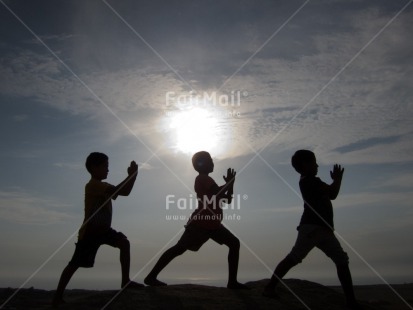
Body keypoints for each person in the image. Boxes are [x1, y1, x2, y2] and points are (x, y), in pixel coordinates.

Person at [263, 150, 361, 310]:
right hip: (313, 228)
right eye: (313, 162)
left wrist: (336, 181)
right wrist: (337, 180)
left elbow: (330, 194)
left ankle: (351, 302)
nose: (317, 165)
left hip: (322, 229)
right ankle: (269, 288)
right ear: (304, 165)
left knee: (340, 260)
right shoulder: (310, 181)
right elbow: (333, 194)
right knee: (295, 257)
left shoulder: (309, 181)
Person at [144, 151, 248, 289]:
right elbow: (216, 193)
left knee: (234, 243)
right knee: (178, 249)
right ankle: (151, 277)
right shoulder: (203, 179)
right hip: (200, 224)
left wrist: (231, 184)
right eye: (209, 160)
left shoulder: (209, 180)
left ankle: (232, 282)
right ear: (201, 165)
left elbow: (227, 199)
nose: (212, 162)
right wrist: (228, 184)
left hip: (213, 225)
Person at [52, 152, 143, 307]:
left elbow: (125, 192)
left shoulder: (104, 186)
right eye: (105, 167)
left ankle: (125, 281)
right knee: (75, 263)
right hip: (91, 232)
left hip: (104, 230)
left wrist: (133, 176)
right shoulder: (93, 185)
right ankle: (57, 297)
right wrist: (132, 175)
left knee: (124, 243)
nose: (108, 170)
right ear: (94, 168)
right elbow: (120, 191)